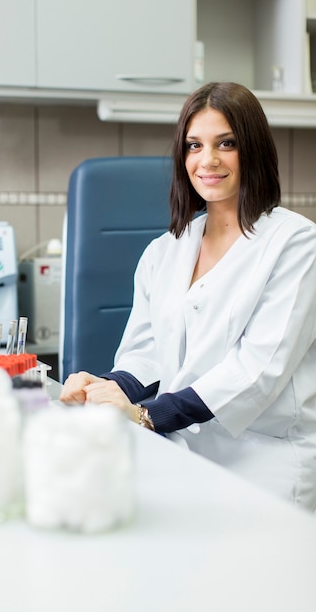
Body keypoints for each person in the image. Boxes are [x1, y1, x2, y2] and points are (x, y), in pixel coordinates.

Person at [59, 82, 316, 511]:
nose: (208, 160)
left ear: (252, 150)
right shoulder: (166, 249)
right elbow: (148, 353)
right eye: (194, 145)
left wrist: (148, 416)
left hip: (264, 463)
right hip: (181, 454)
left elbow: (257, 370)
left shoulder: (296, 244)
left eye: (226, 143)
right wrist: (105, 387)